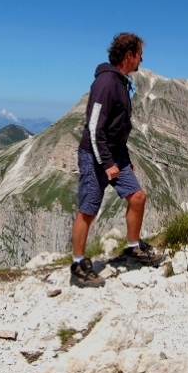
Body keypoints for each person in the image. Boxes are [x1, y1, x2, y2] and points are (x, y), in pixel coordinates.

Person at [70, 32, 163, 288]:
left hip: (114, 156)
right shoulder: (106, 83)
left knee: (137, 197)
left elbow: (116, 128)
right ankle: (78, 266)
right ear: (129, 55)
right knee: (88, 210)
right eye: (139, 54)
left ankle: (132, 249)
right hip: (95, 156)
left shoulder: (120, 82)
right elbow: (94, 127)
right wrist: (108, 163)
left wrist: (123, 159)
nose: (142, 59)